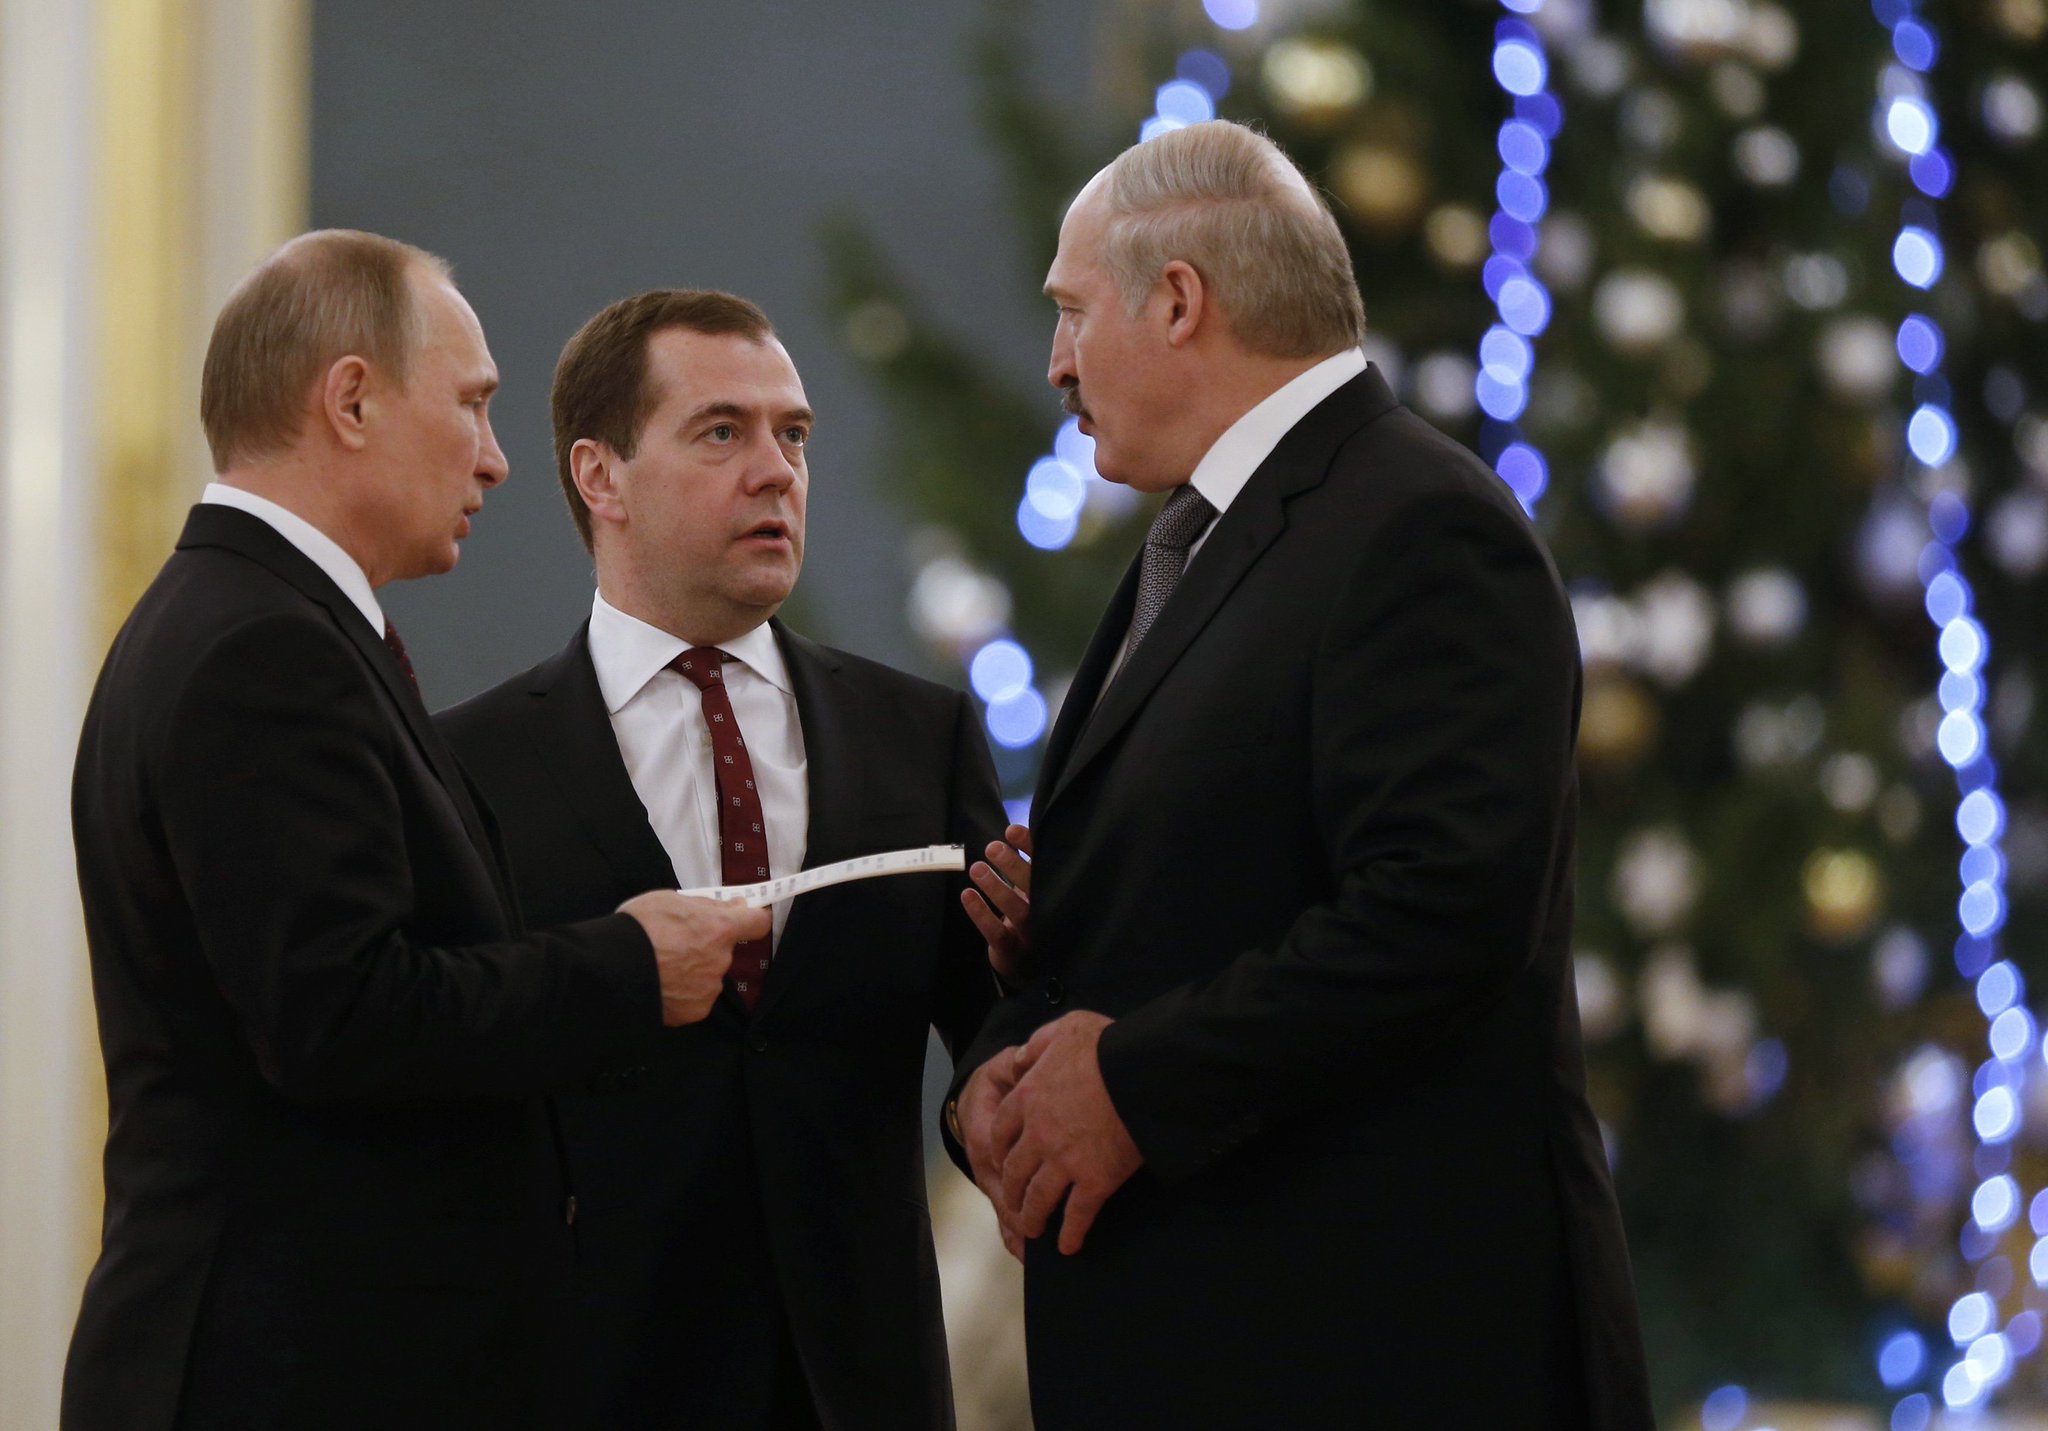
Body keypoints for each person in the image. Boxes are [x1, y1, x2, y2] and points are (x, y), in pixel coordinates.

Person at [946, 121, 1656, 1429]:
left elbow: (1440, 914)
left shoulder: (1421, 526)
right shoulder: (1204, 540)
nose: (1054, 362)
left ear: (1177, 301)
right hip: (1228, 1339)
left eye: (1071, 310)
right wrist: (1012, 1048)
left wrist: (1130, 1084)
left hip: (1383, 1355)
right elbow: (1227, 889)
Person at [62, 231, 768, 1431]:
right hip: (292, 1375)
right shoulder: (263, 648)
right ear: (350, 402)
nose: (495, 459)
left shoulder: (244, 617)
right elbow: (343, 1018)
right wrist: (626, 966)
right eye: (472, 404)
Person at [437, 289, 1007, 1430]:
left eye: (793, 434)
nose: (776, 472)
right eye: (720, 432)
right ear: (600, 476)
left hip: (862, 1382)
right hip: (588, 1383)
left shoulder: (920, 736)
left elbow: (988, 1028)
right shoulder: (469, 766)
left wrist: (1000, 1096)